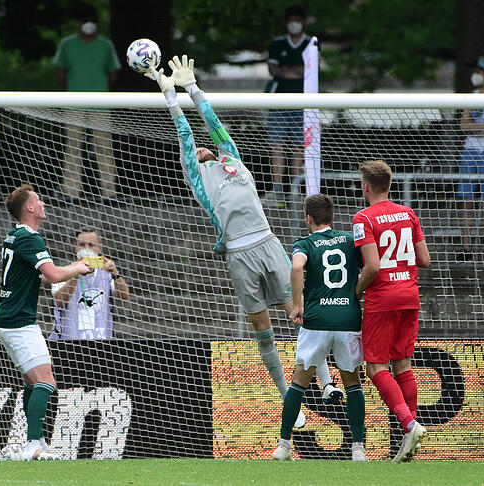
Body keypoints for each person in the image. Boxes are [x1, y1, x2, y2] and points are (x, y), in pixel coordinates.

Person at [147, 55, 343, 430]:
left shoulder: (233, 160)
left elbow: (214, 126)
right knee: (263, 331)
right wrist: (171, 94)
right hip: (239, 255)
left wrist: (193, 87)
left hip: (268, 244)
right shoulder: (198, 177)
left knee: (303, 314)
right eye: (201, 156)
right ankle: (290, 400)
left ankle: (326, 382)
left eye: (209, 152)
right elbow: (186, 136)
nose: (204, 153)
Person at [0, 184, 91, 461]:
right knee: (46, 381)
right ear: (29, 208)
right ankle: (32, 445)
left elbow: (37, 274)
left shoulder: (16, 235)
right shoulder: (29, 238)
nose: (43, 203)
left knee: (32, 380)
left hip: (11, 317)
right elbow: (51, 275)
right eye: (38, 200)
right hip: (17, 321)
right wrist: (78, 267)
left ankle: (36, 440)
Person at [273, 194, 366, 462]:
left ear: (308, 218)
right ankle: (358, 448)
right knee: (353, 385)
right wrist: (354, 295)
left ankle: (283, 446)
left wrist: (297, 306)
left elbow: (297, 266)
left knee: (299, 383)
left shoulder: (305, 243)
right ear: (332, 217)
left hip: (316, 321)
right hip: (347, 319)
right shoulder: (349, 240)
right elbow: (369, 267)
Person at [352, 159, 431, 462]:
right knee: (403, 365)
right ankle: (409, 438)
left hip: (382, 299)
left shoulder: (363, 218)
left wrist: (356, 291)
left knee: (375, 367)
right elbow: (424, 259)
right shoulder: (408, 213)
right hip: (409, 296)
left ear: (366, 186)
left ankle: (409, 425)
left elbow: (372, 266)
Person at [53, 7, 120, 201]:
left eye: (91, 20)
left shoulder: (105, 46)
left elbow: (112, 74)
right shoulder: (67, 45)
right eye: (85, 20)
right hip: (73, 104)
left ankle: (109, 192)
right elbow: (61, 72)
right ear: (79, 23)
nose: (88, 24)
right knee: (73, 146)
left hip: (101, 104)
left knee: (104, 147)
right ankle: (70, 191)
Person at [265, 5, 311, 206]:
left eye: (298, 19)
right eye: (291, 19)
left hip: (304, 102)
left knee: (298, 148)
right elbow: (274, 70)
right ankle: (277, 193)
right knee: (277, 146)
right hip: (279, 102)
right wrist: (294, 71)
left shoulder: (311, 44)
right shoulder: (277, 43)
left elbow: (308, 72)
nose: (294, 23)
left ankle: (295, 192)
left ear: (303, 21)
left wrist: (288, 70)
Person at [49, 227, 129, 340]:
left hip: (102, 337)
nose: (87, 249)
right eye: (82, 245)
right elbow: (59, 301)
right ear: (75, 248)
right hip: (70, 340)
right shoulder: (64, 272)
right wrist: (76, 274)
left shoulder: (107, 274)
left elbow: (124, 296)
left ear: (99, 249)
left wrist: (116, 274)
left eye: (91, 245)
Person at [457, 56, 484, 260]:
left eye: (479, 70)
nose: (475, 74)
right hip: (470, 152)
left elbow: (469, 125)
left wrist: (474, 127)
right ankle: (466, 248)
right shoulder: (472, 95)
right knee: (467, 201)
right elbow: (463, 124)